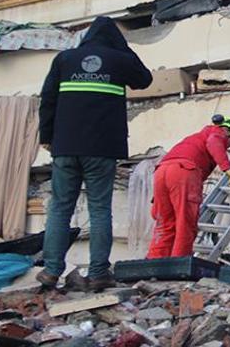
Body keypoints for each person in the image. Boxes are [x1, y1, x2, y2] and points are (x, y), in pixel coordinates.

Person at [37, 16, 153, 290]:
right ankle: (99, 272)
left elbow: (48, 98)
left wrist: (46, 136)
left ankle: (52, 271)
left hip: (65, 146)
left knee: (59, 209)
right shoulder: (119, 60)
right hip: (101, 149)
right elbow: (144, 79)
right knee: (99, 209)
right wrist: (122, 49)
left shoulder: (65, 59)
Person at [146, 115, 230, 259]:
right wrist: (227, 168)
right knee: (185, 221)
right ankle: (179, 262)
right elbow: (214, 143)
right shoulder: (216, 133)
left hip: (162, 171)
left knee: (164, 222)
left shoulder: (193, 138)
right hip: (184, 171)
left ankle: (155, 261)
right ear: (227, 131)